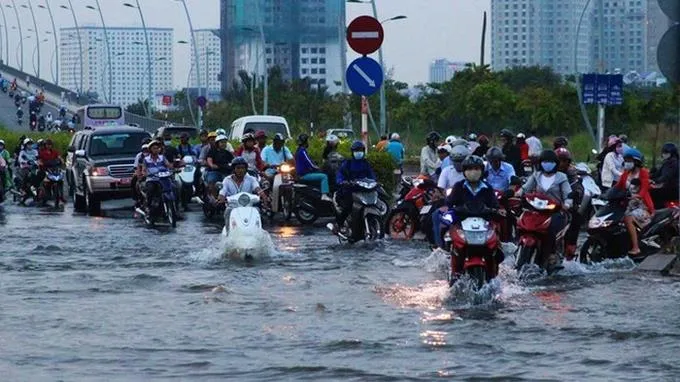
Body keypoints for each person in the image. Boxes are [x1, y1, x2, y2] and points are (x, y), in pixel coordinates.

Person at [443, 155, 502, 274]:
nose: (473, 172)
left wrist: (495, 211)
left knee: (495, 246)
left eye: (476, 169)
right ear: (464, 172)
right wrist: (455, 210)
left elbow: (495, 206)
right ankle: (454, 272)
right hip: (462, 225)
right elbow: (449, 203)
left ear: (482, 171)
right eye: (469, 169)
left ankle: (494, 273)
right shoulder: (459, 186)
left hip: (484, 225)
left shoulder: (488, 188)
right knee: (453, 241)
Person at [516, 150, 573, 269]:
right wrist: (517, 193)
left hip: (555, 212)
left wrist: (567, 204)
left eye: (550, 162)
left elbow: (568, 195)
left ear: (555, 163)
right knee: (522, 222)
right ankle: (519, 248)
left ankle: (552, 253)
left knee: (551, 228)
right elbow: (525, 189)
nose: (547, 164)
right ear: (540, 163)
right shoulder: (536, 175)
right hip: (537, 210)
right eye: (545, 162)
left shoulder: (561, 177)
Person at [614, 148, 654, 257]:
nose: (627, 162)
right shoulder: (625, 174)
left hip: (643, 206)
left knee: (628, 218)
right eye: (626, 160)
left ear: (636, 161)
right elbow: (617, 187)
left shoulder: (643, 173)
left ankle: (636, 248)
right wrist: (605, 194)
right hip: (628, 205)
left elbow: (644, 188)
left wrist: (637, 196)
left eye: (629, 160)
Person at [332, 141, 376, 234]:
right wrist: (342, 182)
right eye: (356, 151)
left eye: (360, 150)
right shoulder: (347, 164)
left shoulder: (366, 164)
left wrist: (375, 182)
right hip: (350, 190)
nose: (358, 152)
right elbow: (340, 175)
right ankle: (338, 225)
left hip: (363, 190)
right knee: (348, 206)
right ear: (352, 152)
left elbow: (372, 175)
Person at [217, 157, 267, 232]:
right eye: (238, 168)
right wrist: (220, 198)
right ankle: (228, 232)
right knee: (228, 211)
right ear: (233, 169)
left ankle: (258, 232)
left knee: (258, 211)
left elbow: (257, 188)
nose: (240, 170)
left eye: (243, 168)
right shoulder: (227, 180)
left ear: (246, 169)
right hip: (233, 206)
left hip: (249, 205)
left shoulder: (251, 179)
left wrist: (263, 195)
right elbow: (222, 191)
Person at [555, 147, 584, 259]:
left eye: (564, 161)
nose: (561, 163)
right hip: (549, 205)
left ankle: (570, 250)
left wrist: (576, 193)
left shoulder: (572, 174)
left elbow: (578, 187)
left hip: (567, 206)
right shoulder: (547, 172)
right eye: (559, 160)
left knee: (576, 217)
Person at [295, 134, 332, 202]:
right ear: (305, 142)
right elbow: (310, 163)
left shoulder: (299, 150)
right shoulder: (302, 151)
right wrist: (318, 168)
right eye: (308, 141)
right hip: (304, 175)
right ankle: (324, 195)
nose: (308, 142)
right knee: (324, 176)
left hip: (303, 174)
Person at [139, 140, 174, 212]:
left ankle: (175, 208)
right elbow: (144, 170)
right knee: (151, 189)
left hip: (164, 179)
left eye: (157, 148)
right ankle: (148, 206)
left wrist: (174, 167)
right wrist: (145, 173)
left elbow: (168, 165)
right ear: (150, 150)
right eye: (154, 148)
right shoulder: (146, 159)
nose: (156, 150)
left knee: (174, 187)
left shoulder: (162, 157)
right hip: (152, 179)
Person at [651, 143, 679, 208]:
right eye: (663, 152)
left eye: (666, 152)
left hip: (673, 189)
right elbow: (657, 173)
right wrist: (648, 176)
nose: (663, 154)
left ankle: (658, 213)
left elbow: (666, 176)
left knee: (652, 193)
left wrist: (655, 181)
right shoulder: (666, 162)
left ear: (672, 153)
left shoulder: (674, 163)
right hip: (667, 186)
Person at [18, 138, 39, 204]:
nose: (30, 145)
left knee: (35, 180)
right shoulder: (22, 152)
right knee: (26, 175)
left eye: (30, 144)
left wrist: (36, 163)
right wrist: (25, 162)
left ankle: (36, 193)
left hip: (33, 168)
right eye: (28, 144)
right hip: (25, 168)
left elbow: (37, 158)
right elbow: (20, 159)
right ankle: (22, 189)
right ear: (25, 145)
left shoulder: (35, 151)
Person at [132, 138, 152, 208]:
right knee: (134, 180)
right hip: (143, 174)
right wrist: (139, 175)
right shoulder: (139, 156)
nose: (146, 151)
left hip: (154, 174)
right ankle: (137, 198)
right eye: (144, 149)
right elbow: (136, 167)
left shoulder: (156, 155)